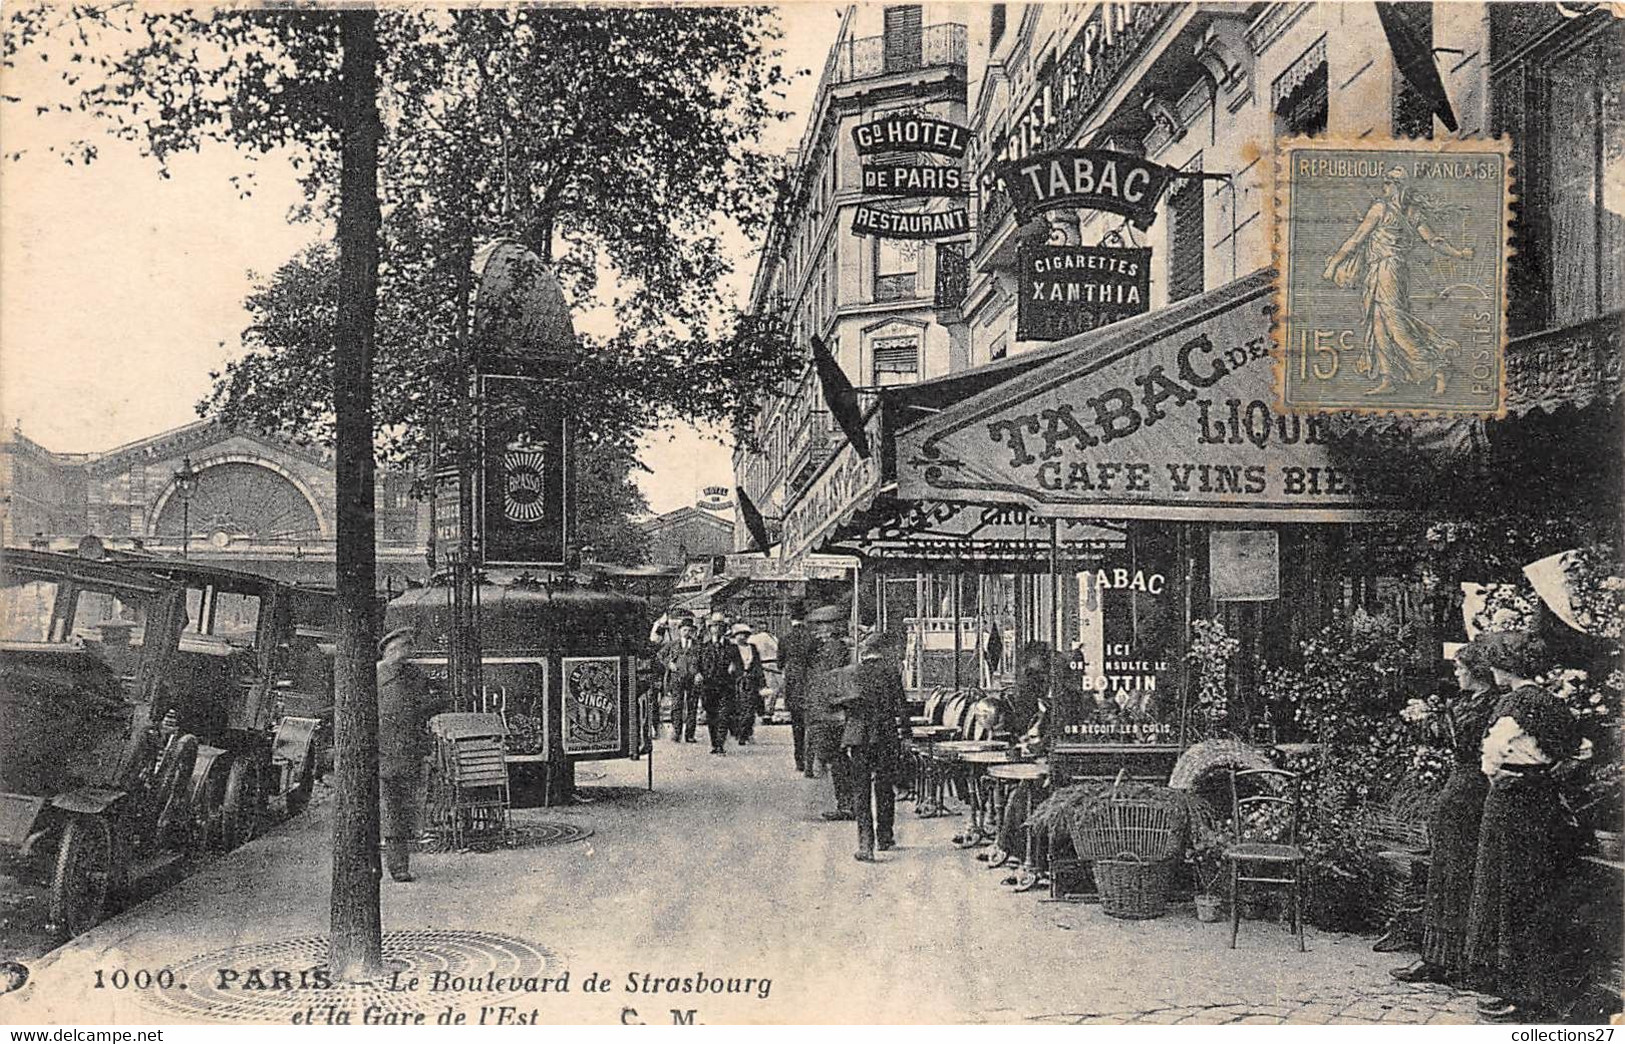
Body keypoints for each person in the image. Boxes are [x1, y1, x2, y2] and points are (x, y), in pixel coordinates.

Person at [1463, 631, 1585, 1022]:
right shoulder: (1553, 702)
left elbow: (1491, 758)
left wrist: (1503, 777)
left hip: (1511, 803)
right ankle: (1532, 990)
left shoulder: (1512, 703)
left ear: (1506, 667)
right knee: (1535, 892)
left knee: (1507, 892)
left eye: (1497, 664)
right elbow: (1581, 750)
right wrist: (1549, 773)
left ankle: (1519, 993)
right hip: (1543, 801)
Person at [1391, 638, 1499, 986]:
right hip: (1456, 791)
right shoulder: (1468, 702)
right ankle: (1436, 958)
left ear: (1477, 672)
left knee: (1463, 876)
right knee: (1443, 875)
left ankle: (1463, 963)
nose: (1456, 674)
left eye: (1460, 669)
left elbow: (1468, 743)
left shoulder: (1490, 707)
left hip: (1474, 793)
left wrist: (1439, 721)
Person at [1322, 165, 1475, 397]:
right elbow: (1434, 241)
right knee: (1378, 325)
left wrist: (1334, 264)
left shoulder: (1381, 209)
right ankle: (1388, 378)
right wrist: (1459, 253)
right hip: (1384, 270)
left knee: (1396, 324)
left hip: (1388, 270)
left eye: (1388, 183)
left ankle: (1439, 367)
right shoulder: (1411, 213)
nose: (1384, 187)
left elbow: (1356, 240)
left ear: (1396, 186)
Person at [377, 626, 449, 883]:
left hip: (409, 753)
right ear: (392, 649)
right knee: (390, 812)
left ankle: (398, 863)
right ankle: (395, 866)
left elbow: (426, 704)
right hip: (383, 754)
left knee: (404, 811)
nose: (411, 651)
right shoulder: (375, 676)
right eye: (407, 646)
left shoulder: (415, 675)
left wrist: (437, 704)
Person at [834, 631, 909, 861]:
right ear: (882, 652)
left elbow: (841, 706)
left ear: (864, 652)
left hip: (858, 739)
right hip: (885, 737)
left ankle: (866, 844)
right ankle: (885, 836)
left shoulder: (852, 673)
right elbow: (901, 707)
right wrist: (906, 733)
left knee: (861, 791)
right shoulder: (890, 673)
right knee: (885, 787)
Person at [804, 604, 854, 818]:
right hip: (826, 712)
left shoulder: (835, 649)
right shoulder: (828, 648)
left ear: (834, 626)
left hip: (831, 713)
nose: (819, 631)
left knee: (838, 760)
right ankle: (845, 803)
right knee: (836, 760)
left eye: (823, 626)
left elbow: (831, 680)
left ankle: (846, 804)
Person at [777, 603, 816, 775]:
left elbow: (779, 664)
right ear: (805, 619)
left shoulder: (784, 639)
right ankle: (810, 761)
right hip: (809, 684)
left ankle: (798, 759)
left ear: (791, 619)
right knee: (811, 725)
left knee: (797, 725)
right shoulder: (812, 639)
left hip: (793, 685)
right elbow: (815, 663)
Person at [695, 613, 742, 755]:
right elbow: (696, 664)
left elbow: (739, 665)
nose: (718, 629)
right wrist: (697, 673)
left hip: (726, 686)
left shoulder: (732, 647)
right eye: (715, 626)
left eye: (721, 626)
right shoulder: (703, 647)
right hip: (709, 686)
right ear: (710, 629)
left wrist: (734, 666)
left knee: (724, 715)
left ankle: (720, 743)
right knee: (712, 716)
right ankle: (715, 743)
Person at [660, 619, 702, 743]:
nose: (687, 633)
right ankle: (676, 732)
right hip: (677, 679)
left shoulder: (698, 645)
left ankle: (690, 735)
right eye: (684, 630)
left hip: (693, 679)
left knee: (692, 707)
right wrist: (669, 664)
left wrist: (699, 673)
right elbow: (660, 655)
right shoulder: (673, 644)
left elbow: (703, 660)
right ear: (679, 631)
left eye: (689, 630)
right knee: (676, 706)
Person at [730, 622, 766, 744]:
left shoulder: (753, 648)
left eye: (745, 635)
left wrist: (761, 682)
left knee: (750, 709)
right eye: (739, 635)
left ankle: (747, 733)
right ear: (735, 636)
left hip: (751, 681)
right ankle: (739, 733)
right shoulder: (732, 649)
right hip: (737, 682)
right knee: (738, 708)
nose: (742, 637)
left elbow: (758, 665)